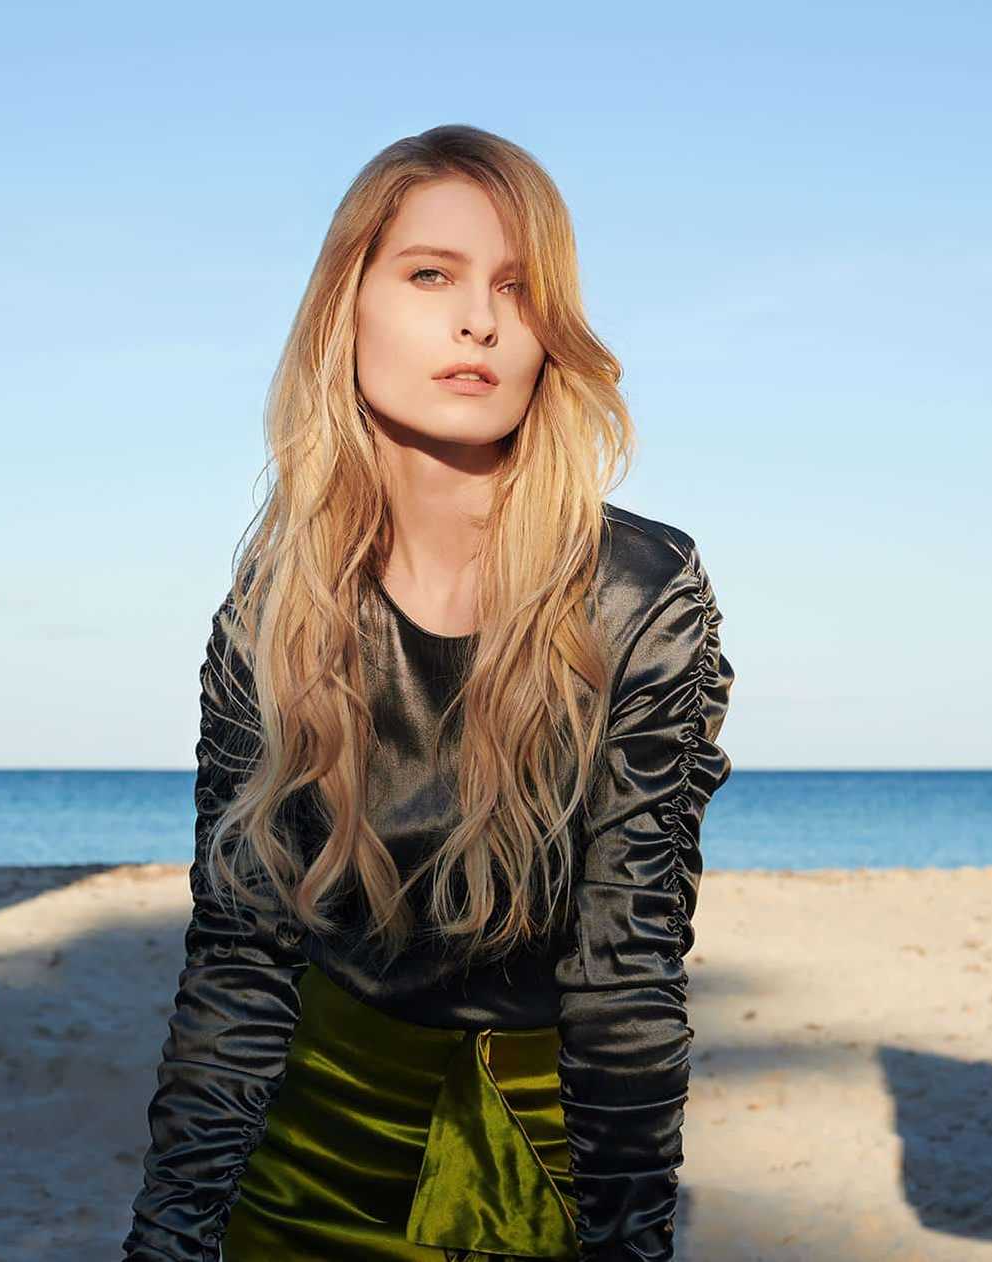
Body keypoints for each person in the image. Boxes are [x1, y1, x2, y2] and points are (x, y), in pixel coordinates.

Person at [121, 123, 738, 1262]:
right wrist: (168, 1240)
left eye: (517, 286)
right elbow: (236, 961)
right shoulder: (276, 602)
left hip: (525, 1157)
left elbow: (630, 976)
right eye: (429, 275)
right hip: (299, 1150)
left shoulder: (639, 593)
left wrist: (627, 1243)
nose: (481, 321)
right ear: (343, 309)